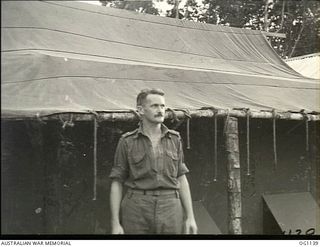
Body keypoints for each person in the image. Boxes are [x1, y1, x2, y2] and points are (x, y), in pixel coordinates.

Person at [109, 88, 198, 234]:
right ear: (141, 110)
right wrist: (115, 223)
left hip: (170, 206)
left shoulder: (175, 139)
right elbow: (117, 181)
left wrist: (190, 217)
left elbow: (181, 177)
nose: (160, 110)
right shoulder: (127, 141)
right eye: (154, 106)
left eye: (162, 106)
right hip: (137, 207)